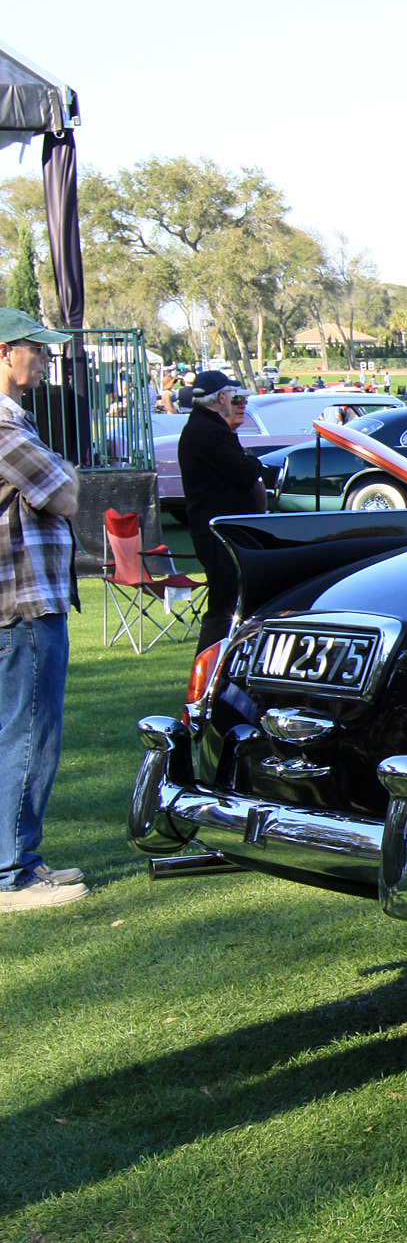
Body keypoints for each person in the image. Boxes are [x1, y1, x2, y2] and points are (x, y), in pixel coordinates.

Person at [0, 310, 86, 912]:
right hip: (24, 605)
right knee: (29, 736)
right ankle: (14, 874)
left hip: (20, 604)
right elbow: (66, 496)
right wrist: (66, 473)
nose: (49, 359)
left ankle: (18, 860)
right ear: (5, 352)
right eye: (39, 348)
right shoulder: (5, 425)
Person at [178, 370, 266, 651]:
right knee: (224, 607)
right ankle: (207, 672)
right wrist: (254, 464)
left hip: (223, 532)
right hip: (218, 534)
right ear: (222, 397)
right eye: (234, 396)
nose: (238, 403)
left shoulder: (207, 428)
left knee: (233, 603)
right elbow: (242, 472)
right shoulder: (208, 431)